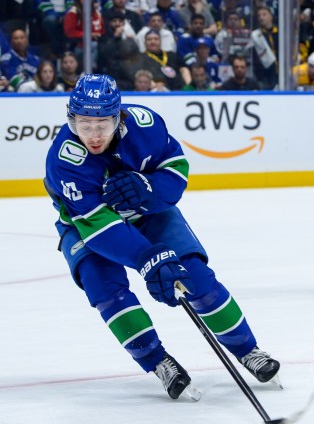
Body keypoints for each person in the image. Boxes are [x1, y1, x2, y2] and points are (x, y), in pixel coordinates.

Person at [44, 75, 281, 400]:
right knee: (106, 291)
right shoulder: (64, 160)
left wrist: (150, 188)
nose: (94, 135)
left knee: (195, 276)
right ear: (72, 120)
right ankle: (158, 362)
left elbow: (177, 168)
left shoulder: (145, 125)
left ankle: (248, 350)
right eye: (85, 124)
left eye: (102, 124)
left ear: (119, 116)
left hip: (149, 212)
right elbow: (97, 226)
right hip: (85, 225)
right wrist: (147, 258)